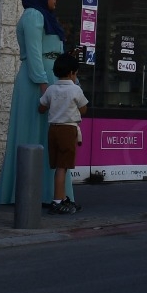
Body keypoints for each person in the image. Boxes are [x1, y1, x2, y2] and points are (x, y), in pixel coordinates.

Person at [0, 0, 67, 206]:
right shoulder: (34, 15)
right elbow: (35, 53)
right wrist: (43, 84)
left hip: (51, 77)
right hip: (38, 80)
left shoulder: (45, 17)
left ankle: (50, 192)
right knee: (35, 132)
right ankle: (35, 192)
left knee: (48, 133)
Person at [39, 53, 88, 215]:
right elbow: (83, 109)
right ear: (72, 73)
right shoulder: (75, 89)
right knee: (63, 167)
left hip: (53, 130)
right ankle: (58, 201)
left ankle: (62, 196)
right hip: (68, 130)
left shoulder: (52, 89)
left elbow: (41, 107)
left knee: (57, 166)